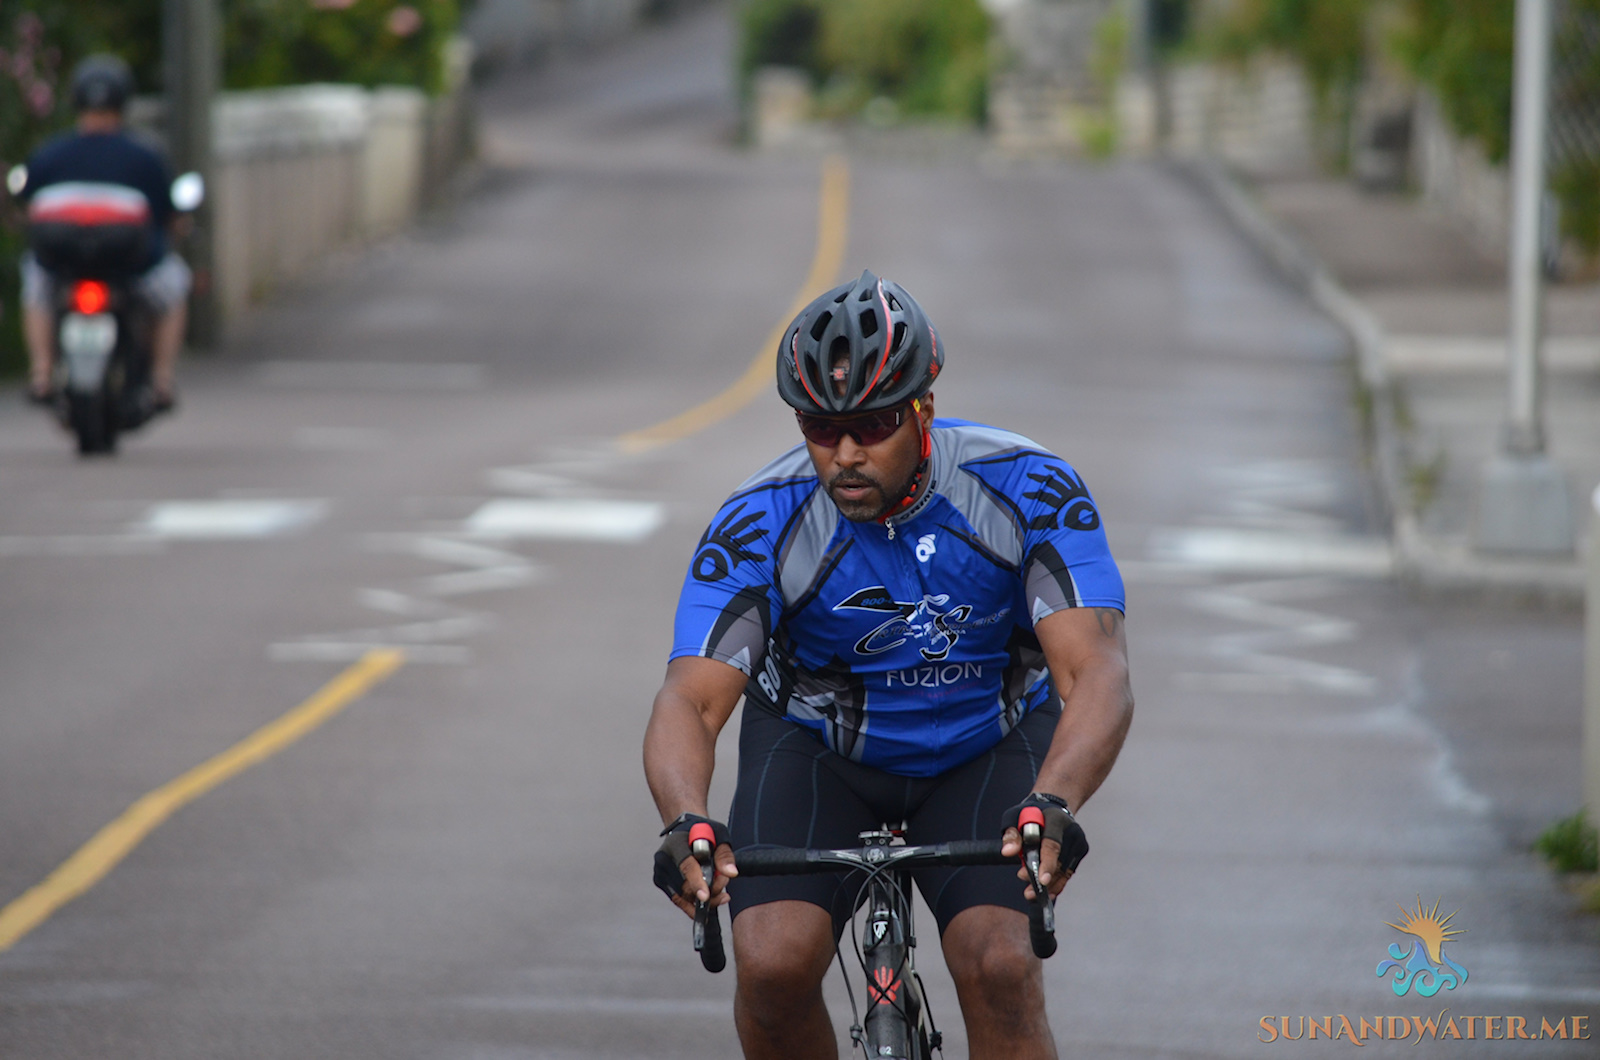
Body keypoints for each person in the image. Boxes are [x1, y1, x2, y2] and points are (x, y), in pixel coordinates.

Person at [644, 269, 1134, 1058]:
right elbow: (691, 700)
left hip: (984, 744)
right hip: (818, 749)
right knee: (771, 970)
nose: (844, 454)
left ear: (923, 409)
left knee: (1001, 968)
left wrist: (1055, 799)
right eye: (819, 426)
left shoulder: (1026, 487)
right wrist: (684, 819)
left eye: (872, 426)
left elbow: (1096, 671)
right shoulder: (760, 520)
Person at [16, 54, 191, 411]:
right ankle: (161, 379)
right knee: (175, 289)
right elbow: (170, 215)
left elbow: (26, 206)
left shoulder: (50, 154)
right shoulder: (145, 156)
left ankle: (42, 372)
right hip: (130, 265)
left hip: (60, 262)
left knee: (35, 287)